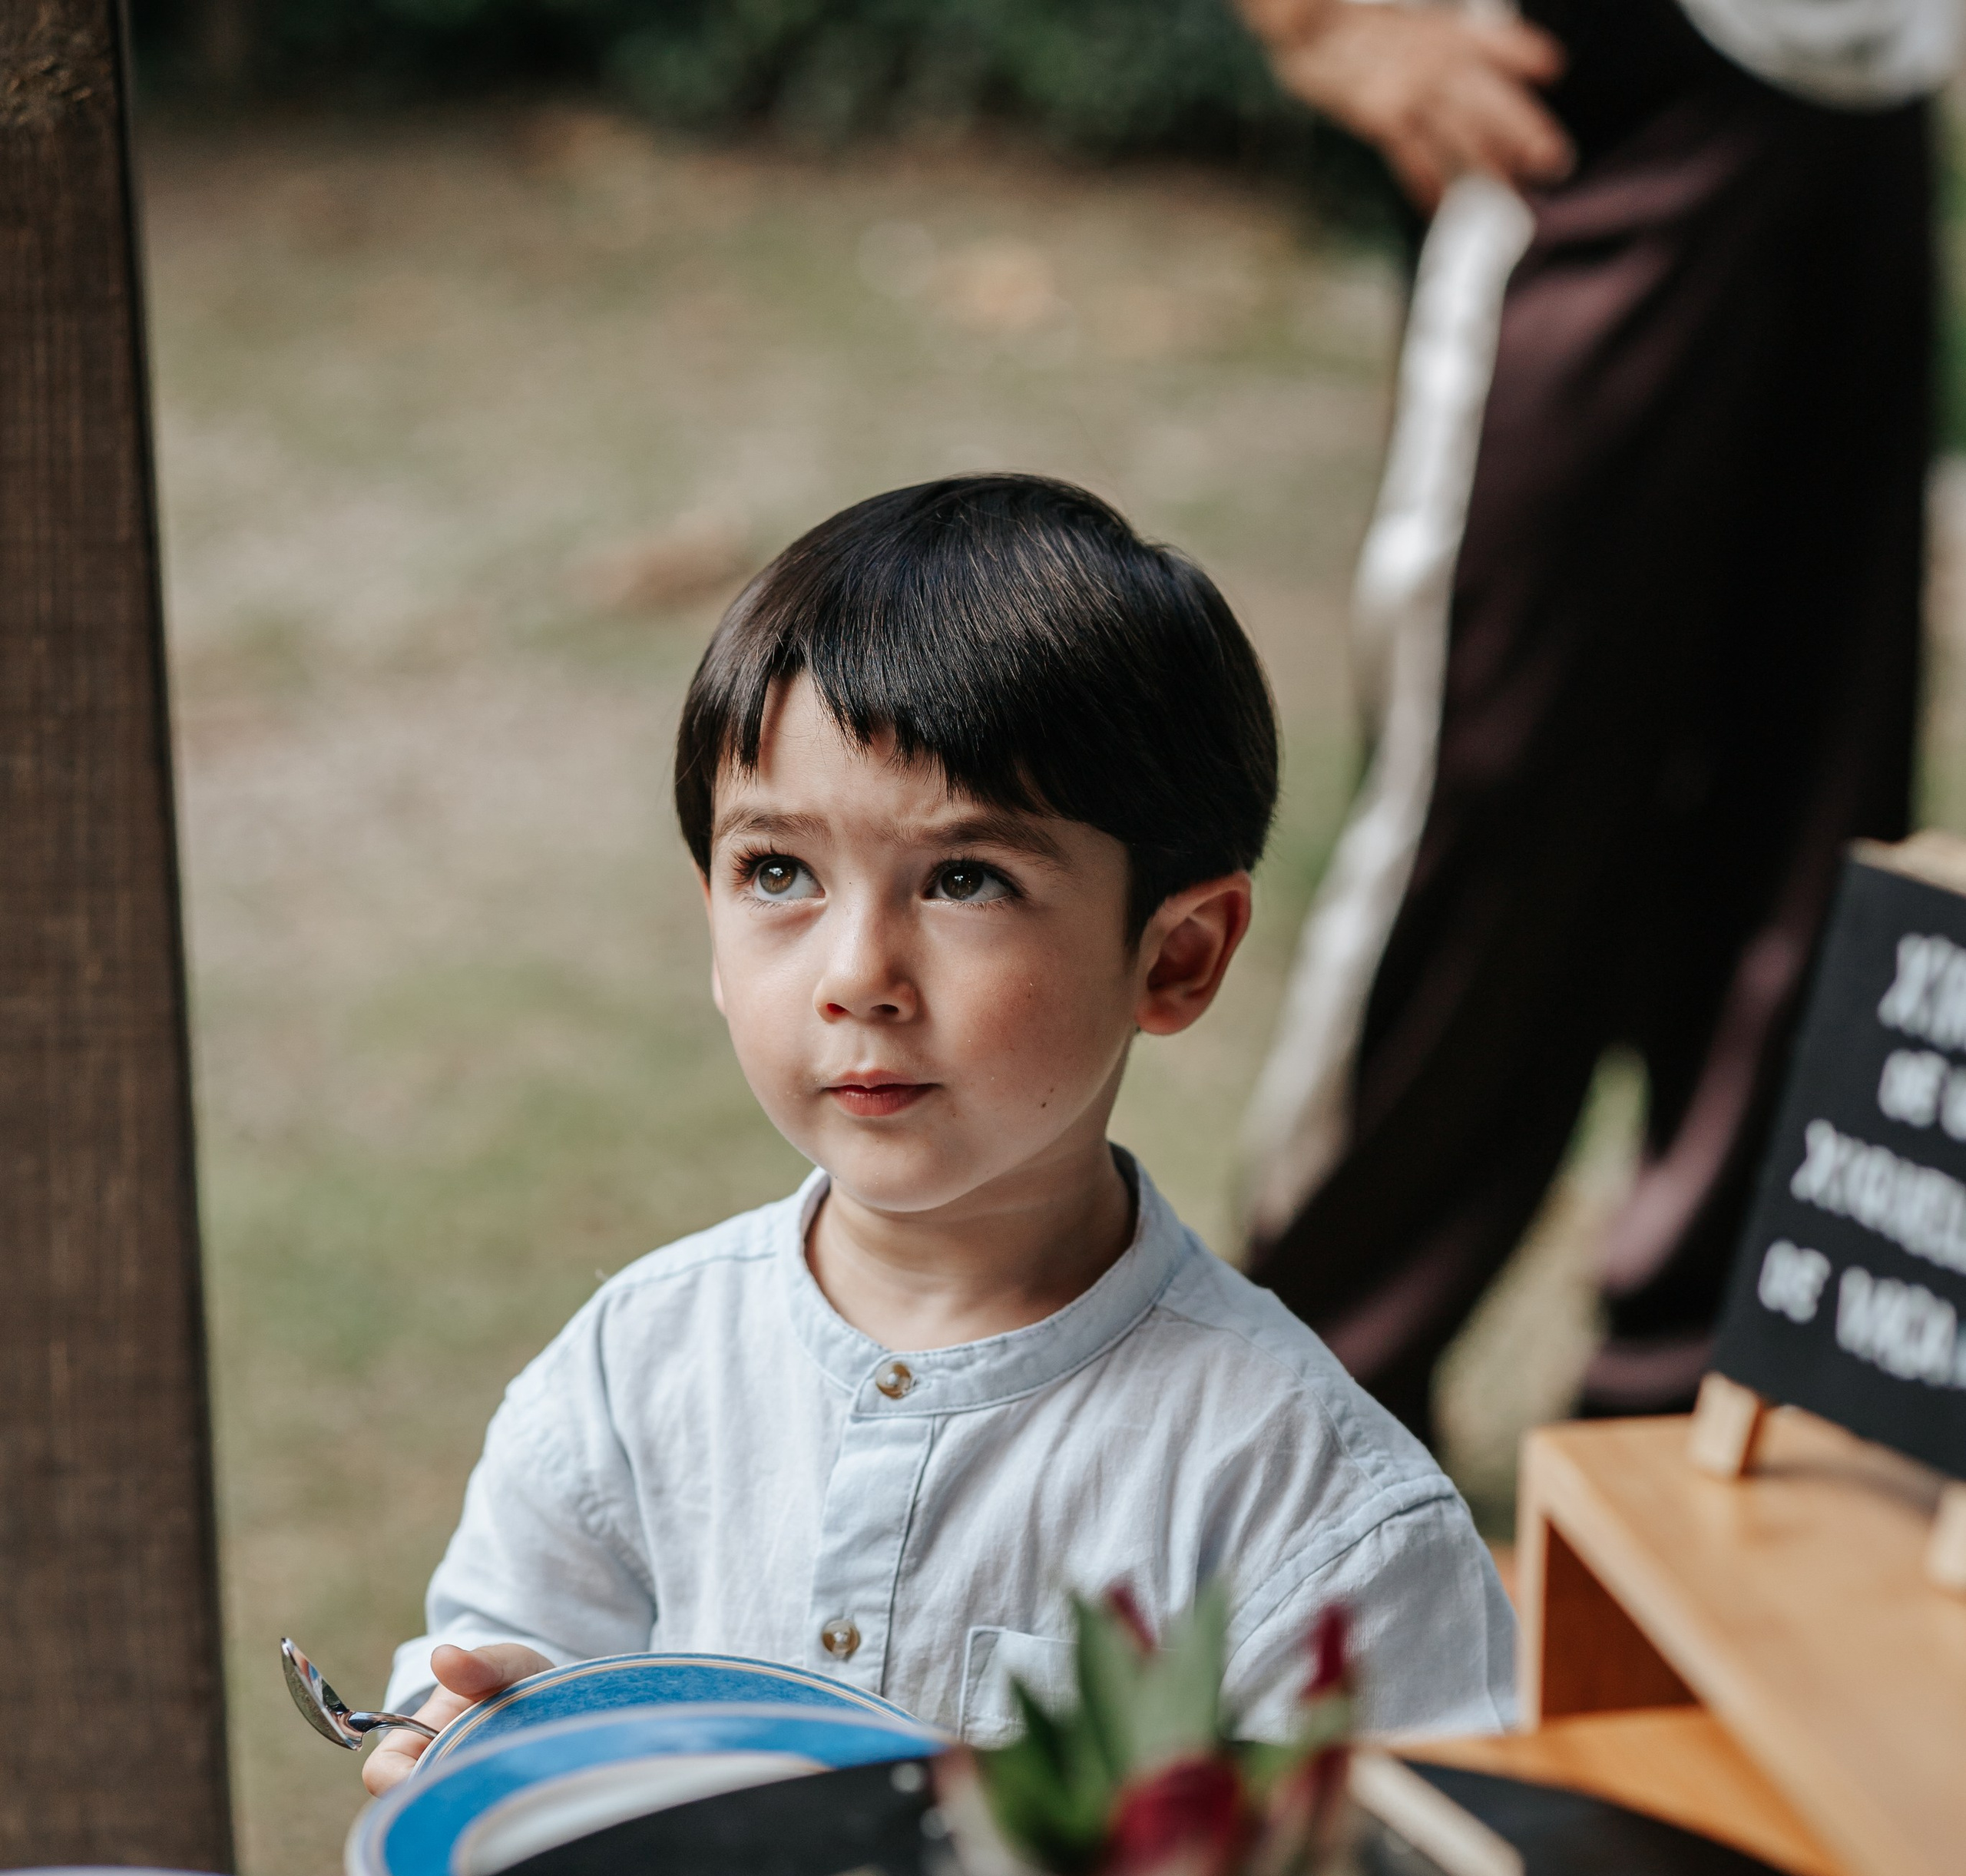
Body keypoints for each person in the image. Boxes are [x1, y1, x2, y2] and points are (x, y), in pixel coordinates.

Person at [363, 476, 1513, 1793]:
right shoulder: (635, 1378)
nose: (858, 973)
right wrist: (455, 1742)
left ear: (1177, 956)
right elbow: (479, 1696)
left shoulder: (1310, 1516)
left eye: (966, 879)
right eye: (778, 872)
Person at [1232, 0, 1949, 1440]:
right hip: (1609, 93)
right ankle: (1299, 1415)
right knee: (1500, 791)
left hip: (1868, 100)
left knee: (1814, 824)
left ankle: (1691, 1414)